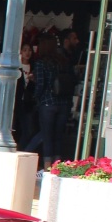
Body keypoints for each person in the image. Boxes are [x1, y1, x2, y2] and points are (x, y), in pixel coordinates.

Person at [24, 35, 66, 168]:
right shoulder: (62, 61)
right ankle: (57, 167)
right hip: (63, 102)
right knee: (57, 136)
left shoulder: (41, 62)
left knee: (46, 135)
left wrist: (35, 98)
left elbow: (41, 85)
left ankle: (47, 167)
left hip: (47, 102)